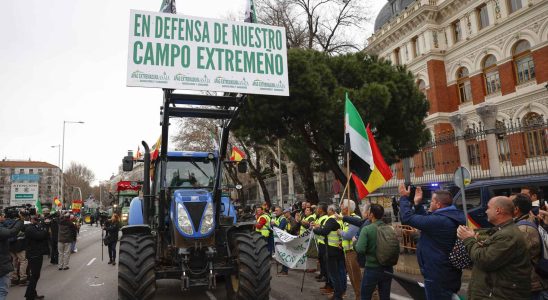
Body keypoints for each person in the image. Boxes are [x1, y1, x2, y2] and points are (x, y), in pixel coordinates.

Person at [398, 183, 465, 300]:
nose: (430, 204)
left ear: (438, 205)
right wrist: (418, 204)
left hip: (438, 275)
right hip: (444, 272)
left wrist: (404, 198)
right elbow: (427, 222)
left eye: (432, 202)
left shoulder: (441, 220)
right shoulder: (447, 216)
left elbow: (407, 218)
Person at [457, 196, 531, 300]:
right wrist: (477, 242)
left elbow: (484, 260)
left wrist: (468, 239)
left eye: (488, 207)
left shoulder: (507, 235)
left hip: (498, 295)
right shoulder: (503, 231)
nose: (486, 211)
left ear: (498, 210)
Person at [512, 193, 548, 299]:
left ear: (516, 209)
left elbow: (520, 256)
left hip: (534, 284)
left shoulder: (525, 229)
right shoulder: (525, 222)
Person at [355, 204, 392, 300]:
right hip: (388, 268)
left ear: (371, 215)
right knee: (385, 296)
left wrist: (355, 242)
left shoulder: (367, 229)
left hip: (372, 267)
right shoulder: (389, 228)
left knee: (365, 295)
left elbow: (360, 249)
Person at [313, 205, 346, 300]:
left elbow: (324, 231)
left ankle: (337, 295)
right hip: (339, 248)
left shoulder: (331, 219)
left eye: (328, 210)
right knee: (340, 273)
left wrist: (315, 229)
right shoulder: (340, 219)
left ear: (331, 210)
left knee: (334, 274)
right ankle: (340, 292)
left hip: (332, 249)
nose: (327, 211)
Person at [337, 199, 362, 300]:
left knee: (357, 279)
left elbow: (348, 235)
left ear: (347, 208)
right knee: (352, 279)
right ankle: (358, 296)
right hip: (347, 252)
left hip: (353, 253)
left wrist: (340, 232)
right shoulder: (347, 219)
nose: (340, 208)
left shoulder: (355, 218)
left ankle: (360, 297)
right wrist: (341, 243)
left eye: (342, 206)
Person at [0, 211, 24, 300]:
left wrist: (17, 221)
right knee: (2, 291)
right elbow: (11, 232)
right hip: (1, 264)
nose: (3, 217)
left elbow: (7, 230)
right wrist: (21, 221)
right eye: (2, 215)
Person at [24, 214, 48, 300]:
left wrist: (43, 227)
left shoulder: (34, 227)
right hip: (34, 254)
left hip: (37, 253)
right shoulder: (30, 229)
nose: (37, 221)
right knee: (35, 275)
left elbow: (43, 235)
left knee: (35, 275)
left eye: (37, 219)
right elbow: (41, 236)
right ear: (31, 219)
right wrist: (44, 229)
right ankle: (29, 296)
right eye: (35, 219)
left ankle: (32, 294)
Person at [9, 210, 28, 286]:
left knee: (14, 261)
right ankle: (23, 279)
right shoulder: (21, 223)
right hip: (19, 246)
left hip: (11, 245)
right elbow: (23, 234)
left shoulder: (12, 222)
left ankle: (14, 278)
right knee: (23, 261)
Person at [271, 206, 291, 276]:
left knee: (284, 255)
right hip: (278, 239)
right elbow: (273, 229)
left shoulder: (283, 219)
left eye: (277, 210)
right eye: (275, 210)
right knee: (281, 255)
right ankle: (283, 270)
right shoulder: (277, 218)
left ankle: (285, 271)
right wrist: (271, 226)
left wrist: (274, 225)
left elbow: (280, 229)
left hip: (283, 239)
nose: (275, 212)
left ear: (281, 212)